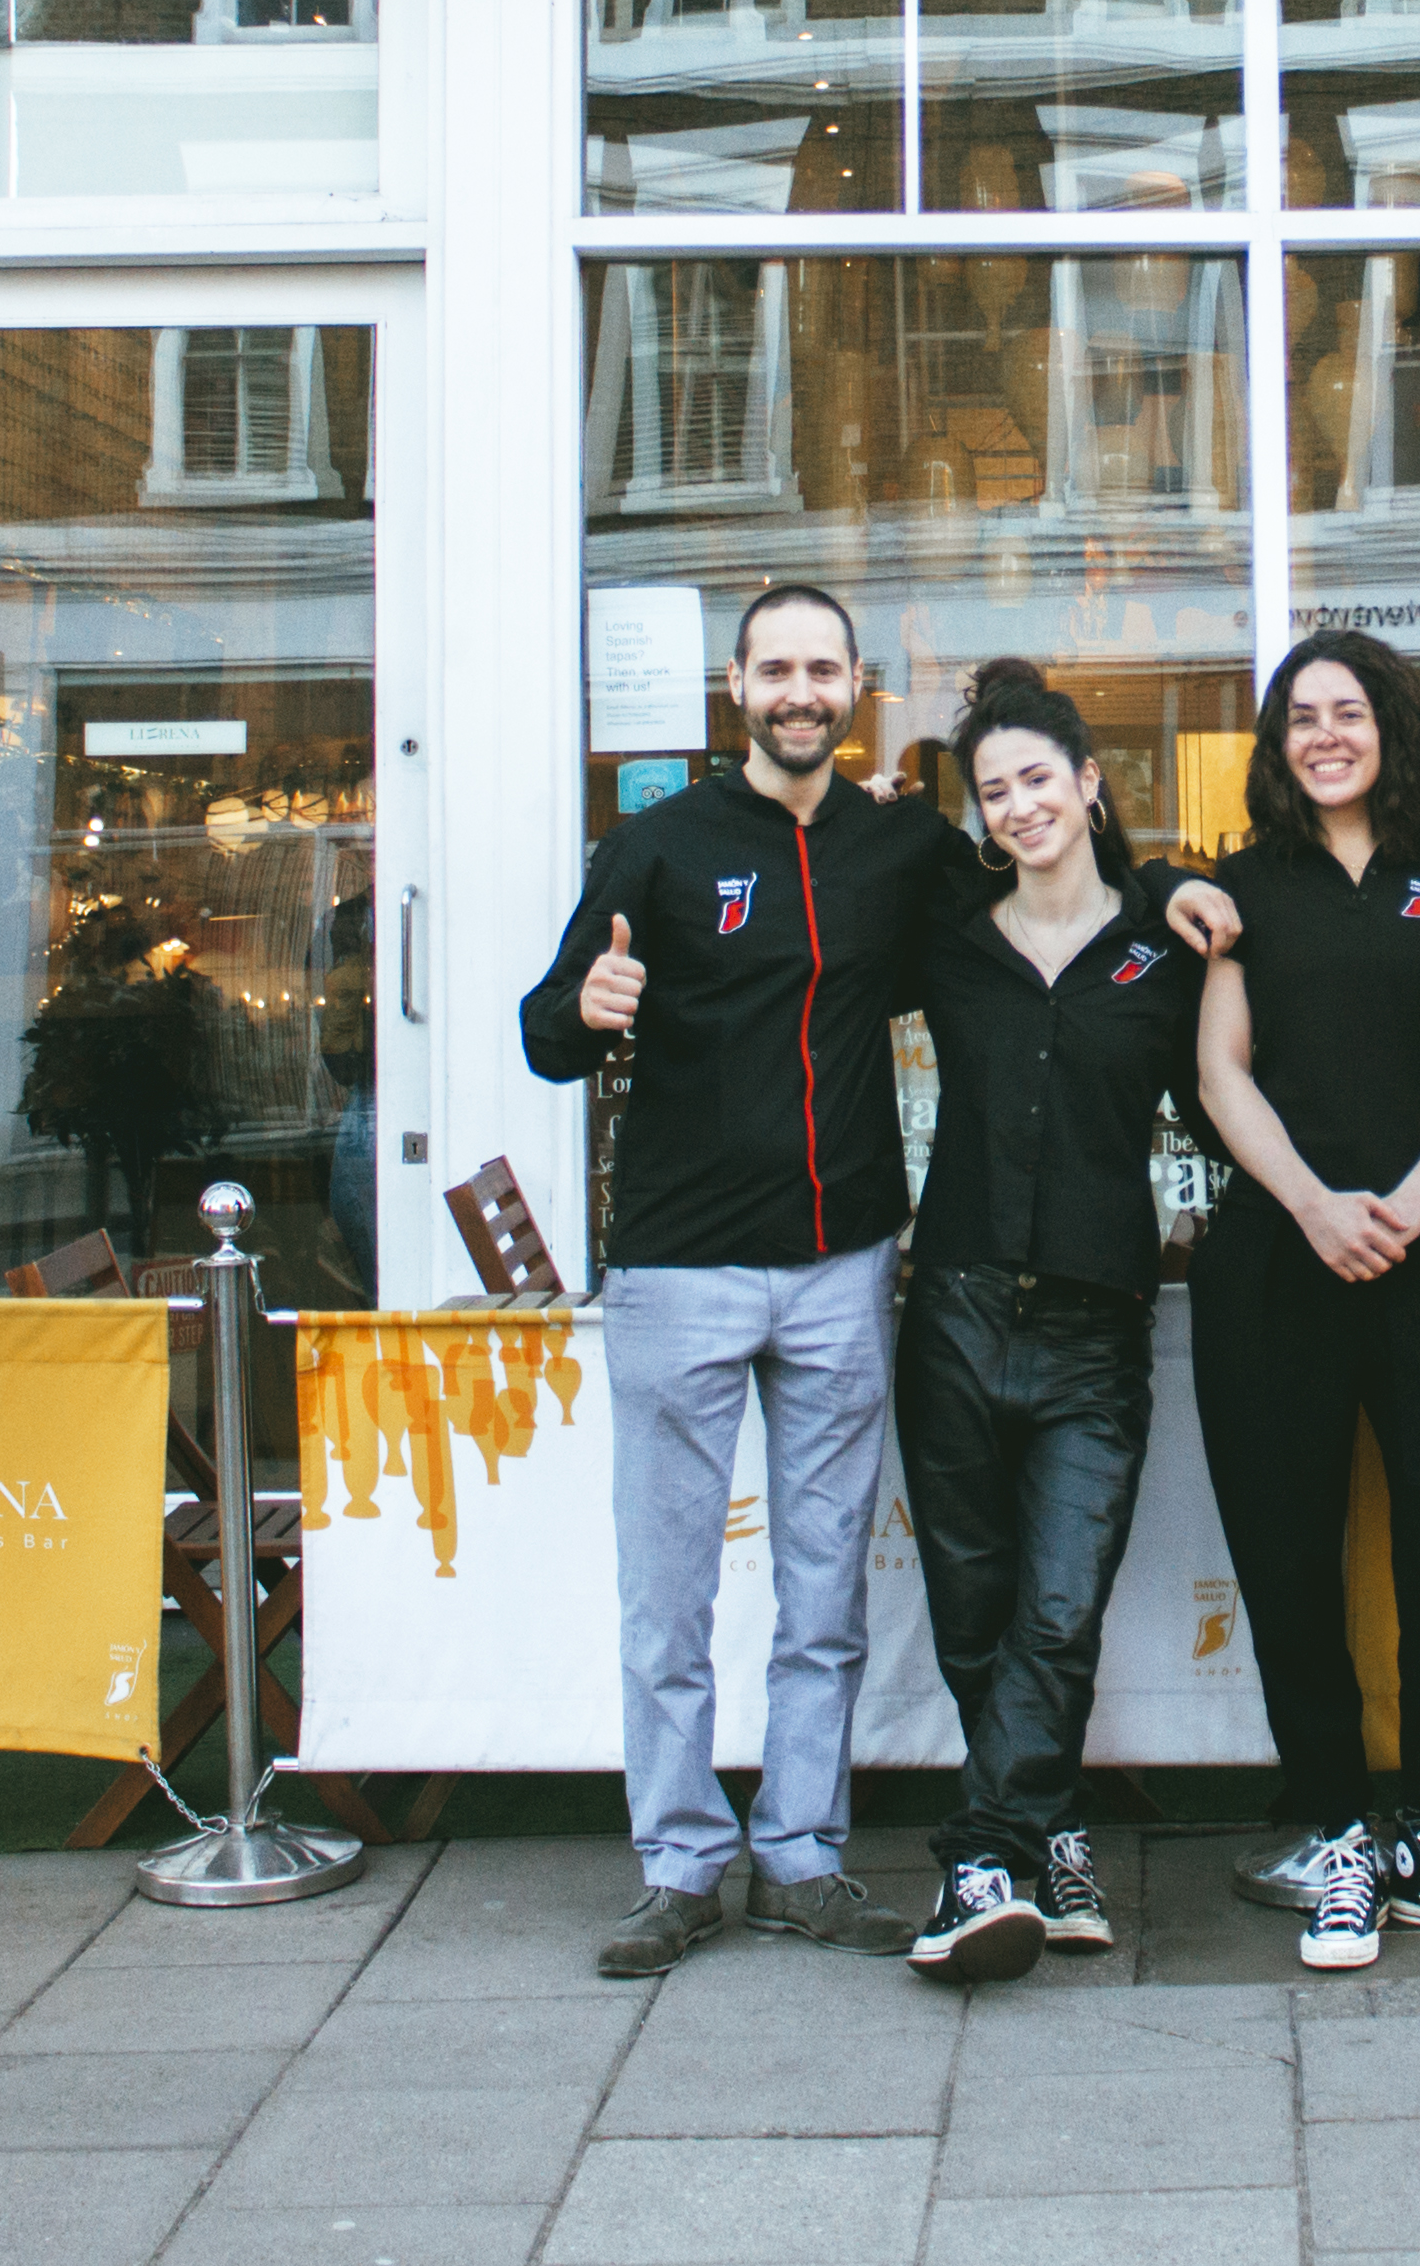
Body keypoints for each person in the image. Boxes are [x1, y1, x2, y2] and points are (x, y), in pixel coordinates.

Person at [518, 586, 1233, 1981]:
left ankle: (801, 1855)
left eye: (823, 669)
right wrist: (583, 1013)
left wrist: (1174, 888)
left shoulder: (903, 845)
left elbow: (1059, 886)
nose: (799, 689)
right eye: (775, 667)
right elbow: (549, 1025)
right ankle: (677, 1861)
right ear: (738, 687)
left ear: (856, 692)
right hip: (678, 1263)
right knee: (666, 1596)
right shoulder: (655, 847)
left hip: (848, 1262)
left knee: (826, 1589)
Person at [1191, 631, 1420, 1973]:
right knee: (1288, 1553)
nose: (1325, 734)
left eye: (1349, 711)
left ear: (1392, 724)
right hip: (1279, 1260)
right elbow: (1224, 1074)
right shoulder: (1238, 889)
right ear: (1277, 747)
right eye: (1301, 718)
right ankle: (1336, 1829)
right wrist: (1315, 1206)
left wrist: (1402, 1206)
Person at [891, 658, 1214, 1983]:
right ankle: (1052, 1838)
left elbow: (1229, 1094)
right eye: (993, 792)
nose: (1019, 807)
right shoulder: (953, 939)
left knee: (1060, 1603)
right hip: (954, 1310)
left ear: (1089, 785)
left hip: (1095, 1326)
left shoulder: (1162, 944)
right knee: (974, 1606)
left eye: (1039, 780)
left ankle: (982, 1859)